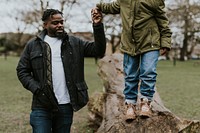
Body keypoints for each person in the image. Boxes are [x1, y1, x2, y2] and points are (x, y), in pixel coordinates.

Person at [16, 8, 106, 133]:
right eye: (55, 23)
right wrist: (37, 89)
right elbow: (22, 70)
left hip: (65, 105)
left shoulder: (74, 43)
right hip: (41, 105)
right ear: (45, 25)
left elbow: (99, 50)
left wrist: (97, 25)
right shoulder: (33, 45)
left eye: (61, 22)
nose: (60, 25)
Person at [96, 0, 172, 121]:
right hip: (130, 44)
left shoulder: (154, 2)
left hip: (150, 42)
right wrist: (99, 6)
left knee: (148, 71)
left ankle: (146, 101)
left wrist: (165, 42)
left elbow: (163, 21)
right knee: (130, 74)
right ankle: (130, 104)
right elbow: (111, 7)